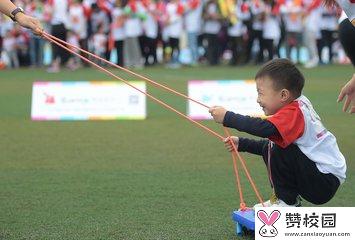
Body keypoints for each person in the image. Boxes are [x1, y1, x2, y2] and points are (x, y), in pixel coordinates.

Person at [209, 58, 346, 207]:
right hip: (321, 176)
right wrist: (242, 143)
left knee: (281, 148)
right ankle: (285, 199)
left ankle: (287, 202)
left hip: (323, 180)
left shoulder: (295, 112)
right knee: (278, 145)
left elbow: (265, 129)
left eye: (261, 93)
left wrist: (227, 117)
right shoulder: (296, 106)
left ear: (283, 95)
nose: (257, 99)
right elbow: (270, 144)